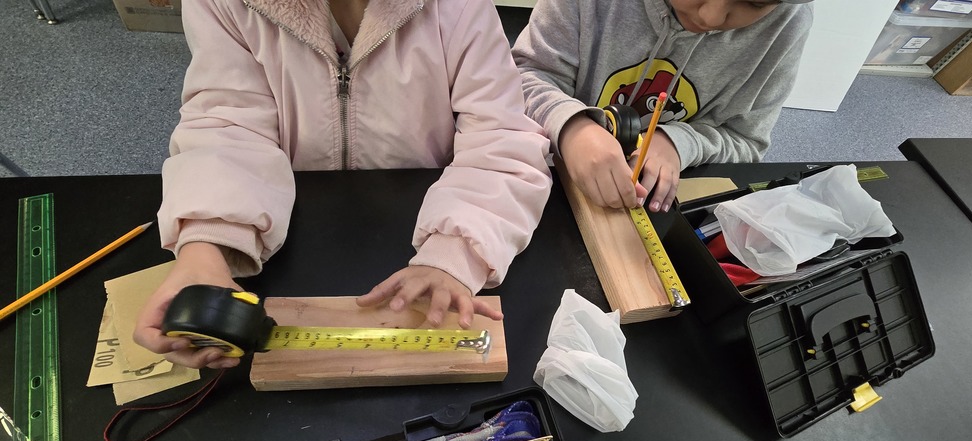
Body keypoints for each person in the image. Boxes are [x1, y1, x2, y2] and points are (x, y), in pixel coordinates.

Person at [133, 0, 552, 370]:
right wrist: (206, 247)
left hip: (429, 226)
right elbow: (228, 123)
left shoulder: (459, 8)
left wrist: (455, 254)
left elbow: (500, 138)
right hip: (288, 239)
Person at [513, 0, 813, 213]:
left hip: (664, 198)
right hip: (541, 178)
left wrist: (680, 142)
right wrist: (572, 128)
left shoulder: (788, 22)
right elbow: (522, 78)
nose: (710, 17)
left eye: (755, 2)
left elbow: (746, 140)